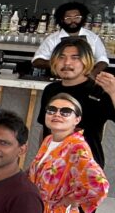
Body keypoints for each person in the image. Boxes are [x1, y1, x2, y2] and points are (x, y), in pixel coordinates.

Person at [28, 93, 108, 213]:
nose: (57, 114)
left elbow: (99, 185)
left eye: (65, 112)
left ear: (77, 119)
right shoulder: (49, 140)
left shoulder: (77, 148)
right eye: (51, 110)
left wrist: (70, 200)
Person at [36, 38, 115, 166]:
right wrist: (41, 157)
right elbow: (46, 129)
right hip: (52, 164)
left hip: (86, 166)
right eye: (61, 57)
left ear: (86, 61)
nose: (67, 63)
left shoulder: (99, 90)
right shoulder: (50, 90)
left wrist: (113, 92)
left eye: (75, 58)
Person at [31, 1, 109, 74]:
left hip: (87, 79)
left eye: (77, 17)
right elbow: (37, 61)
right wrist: (59, 64)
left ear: (83, 18)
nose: (73, 21)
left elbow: (102, 60)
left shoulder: (93, 38)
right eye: (68, 18)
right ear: (61, 20)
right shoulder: (52, 39)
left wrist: (93, 74)